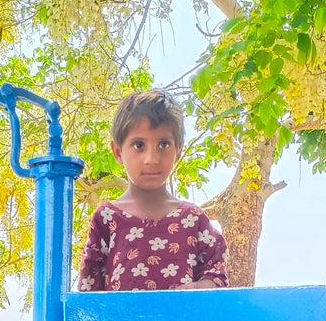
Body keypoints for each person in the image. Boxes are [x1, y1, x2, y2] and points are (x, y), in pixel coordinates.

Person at [78, 89, 229, 292]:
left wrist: (199, 288)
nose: (152, 159)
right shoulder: (106, 218)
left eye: (163, 144)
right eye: (139, 145)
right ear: (118, 151)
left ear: (178, 151)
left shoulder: (193, 219)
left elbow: (217, 278)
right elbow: (89, 298)